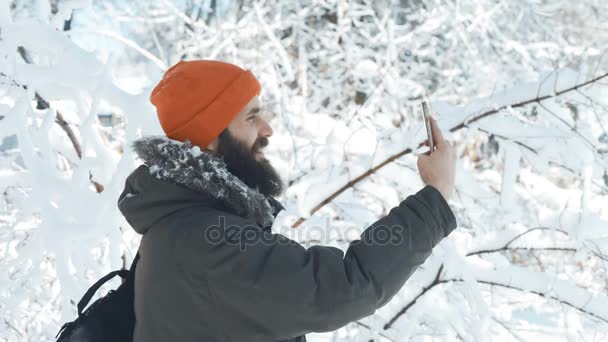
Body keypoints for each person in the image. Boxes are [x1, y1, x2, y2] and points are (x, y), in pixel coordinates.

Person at [117, 60, 458, 342]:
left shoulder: (183, 225)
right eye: (251, 117)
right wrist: (434, 196)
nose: (267, 129)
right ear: (209, 139)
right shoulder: (206, 239)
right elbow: (343, 287)